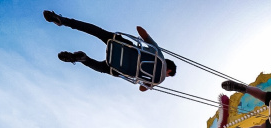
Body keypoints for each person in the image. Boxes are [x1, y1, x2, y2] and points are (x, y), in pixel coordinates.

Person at [43, 11, 176, 91]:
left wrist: (147, 41)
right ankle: (83, 59)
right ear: (169, 71)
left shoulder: (159, 55)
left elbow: (140, 30)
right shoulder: (158, 81)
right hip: (119, 67)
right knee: (103, 68)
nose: (167, 76)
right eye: (169, 75)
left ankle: (63, 21)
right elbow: (142, 88)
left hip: (123, 46)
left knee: (95, 31)